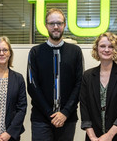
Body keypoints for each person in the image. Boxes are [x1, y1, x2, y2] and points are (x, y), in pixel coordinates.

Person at [27, 8, 84, 141]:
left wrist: (64, 113)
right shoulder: (35, 52)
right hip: (41, 119)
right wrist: (50, 113)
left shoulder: (75, 51)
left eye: (59, 23)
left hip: (67, 119)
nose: (56, 27)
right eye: (52, 23)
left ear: (64, 25)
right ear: (46, 26)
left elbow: (79, 83)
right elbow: (32, 85)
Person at [79, 32, 117, 141]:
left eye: (111, 46)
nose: (106, 50)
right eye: (102, 46)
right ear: (96, 49)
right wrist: (92, 137)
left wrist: (109, 135)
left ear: (116, 50)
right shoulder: (88, 75)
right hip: (94, 136)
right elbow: (84, 107)